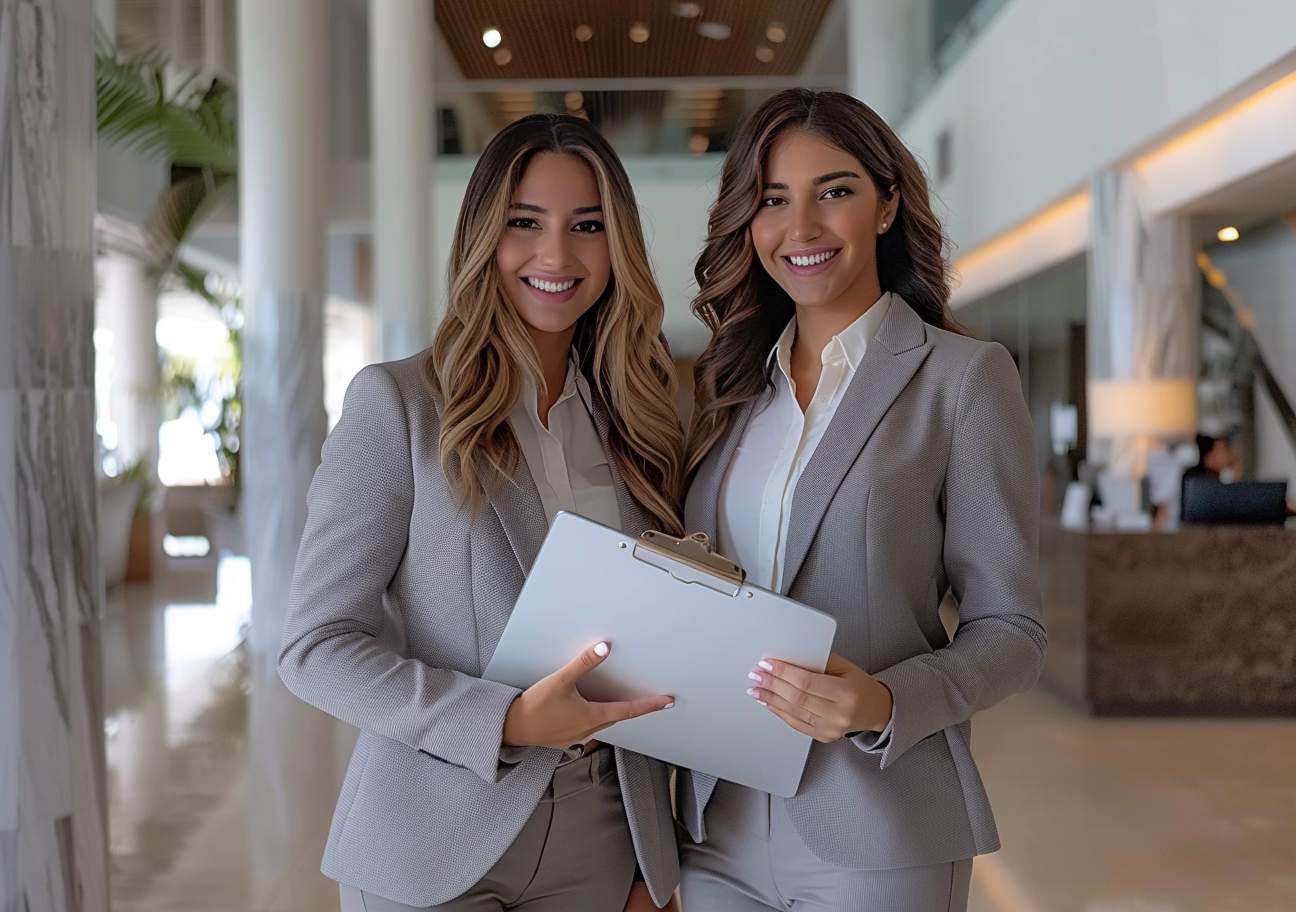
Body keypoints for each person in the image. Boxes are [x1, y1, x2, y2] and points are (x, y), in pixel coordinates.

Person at [278, 113, 685, 911]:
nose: (556, 256)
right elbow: (315, 646)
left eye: (588, 226)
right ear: (481, 239)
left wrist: (651, 860)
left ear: (619, 246)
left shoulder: (646, 421)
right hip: (431, 837)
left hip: (604, 830)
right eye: (523, 224)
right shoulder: (396, 405)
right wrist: (501, 721)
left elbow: (664, 641)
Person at [676, 89, 1048, 911]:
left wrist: (884, 702)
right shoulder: (729, 391)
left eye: (834, 192)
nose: (801, 227)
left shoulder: (963, 380)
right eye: (773, 200)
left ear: (886, 204)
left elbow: (1013, 632)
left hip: (877, 823)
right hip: (715, 826)